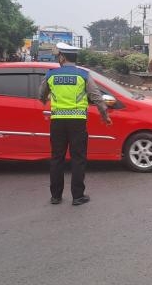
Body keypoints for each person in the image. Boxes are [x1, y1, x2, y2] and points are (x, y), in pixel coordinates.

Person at [39, 42, 112, 206]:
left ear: (62, 57)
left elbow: (41, 94)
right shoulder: (83, 75)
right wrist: (105, 115)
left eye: (59, 56)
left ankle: (56, 196)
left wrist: (45, 100)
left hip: (57, 122)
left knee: (57, 158)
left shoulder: (51, 75)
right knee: (78, 159)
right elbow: (96, 96)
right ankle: (78, 196)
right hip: (77, 122)